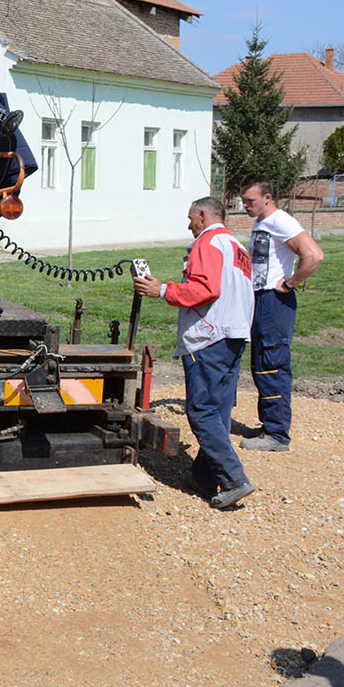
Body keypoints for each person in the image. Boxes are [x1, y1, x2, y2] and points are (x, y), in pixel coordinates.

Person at [133, 196, 256, 510]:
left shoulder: (207, 243)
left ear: (203, 215)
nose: (189, 225)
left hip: (209, 338)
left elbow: (205, 288)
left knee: (201, 411)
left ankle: (233, 479)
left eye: (191, 218)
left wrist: (161, 290)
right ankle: (203, 477)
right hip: (235, 335)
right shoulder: (237, 247)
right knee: (219, 411)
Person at [238, 174, 325, 452]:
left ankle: (276, 434)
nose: (245, 205)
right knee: (261, 363)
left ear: (267, 197)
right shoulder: (262, 222)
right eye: (243, 200)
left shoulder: (281, 221)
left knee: (272, 363)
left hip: (275, 302)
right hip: (260, 300)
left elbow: (313, 255)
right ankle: (270, 426)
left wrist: (289, 283)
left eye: (250, 200)